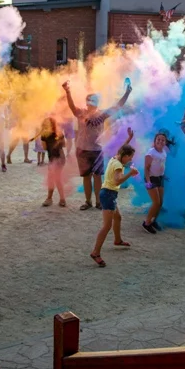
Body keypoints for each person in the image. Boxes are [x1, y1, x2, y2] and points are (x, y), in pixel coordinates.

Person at [63, 80, 132, 210]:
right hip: (82, 149)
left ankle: (98, 202)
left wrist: (127, 93)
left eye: (92, 101)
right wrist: (68, 92)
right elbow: (72, 106)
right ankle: (88, 201)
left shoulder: (101, 114)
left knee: (97, 177)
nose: (90, 103)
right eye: (88, 100)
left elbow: (117, 106)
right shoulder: (81, 113)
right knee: (86, 177)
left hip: (97, 150)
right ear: (86, 102)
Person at [90, 131, 139, 267]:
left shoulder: (116, 157)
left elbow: (123, 148)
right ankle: (95, 252)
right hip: (109, 195)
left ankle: (117, 240)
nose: (130, 160)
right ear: (125, 156)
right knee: (107, 226)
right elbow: (118, 181)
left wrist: (129, 138)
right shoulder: (118, 166)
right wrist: (130, 173)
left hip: (108, 193)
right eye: (130, 158)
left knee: (118, 217)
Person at [141, 132, 168, 234]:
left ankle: (153, 221)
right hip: (151, 179)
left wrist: (163, 175)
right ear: (155, 141)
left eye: (163, 140)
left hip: (160, 178)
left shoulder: (164, 152)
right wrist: (148, 181)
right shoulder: (150, 153)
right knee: (156, 202)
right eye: (158, 139)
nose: (160, 141)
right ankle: (147, 223)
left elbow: (161, 164)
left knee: (160, 203)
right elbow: (146, 168)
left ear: (165, 142)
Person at [40, 117, 67, 207]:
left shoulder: (44, 134)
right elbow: (64, 144)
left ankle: (54, 199)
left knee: (55, 178)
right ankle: (58, 199)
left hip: (57, 158)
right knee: (54, 178)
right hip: (57, 157)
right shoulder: (58, 132)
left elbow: (44, 148)